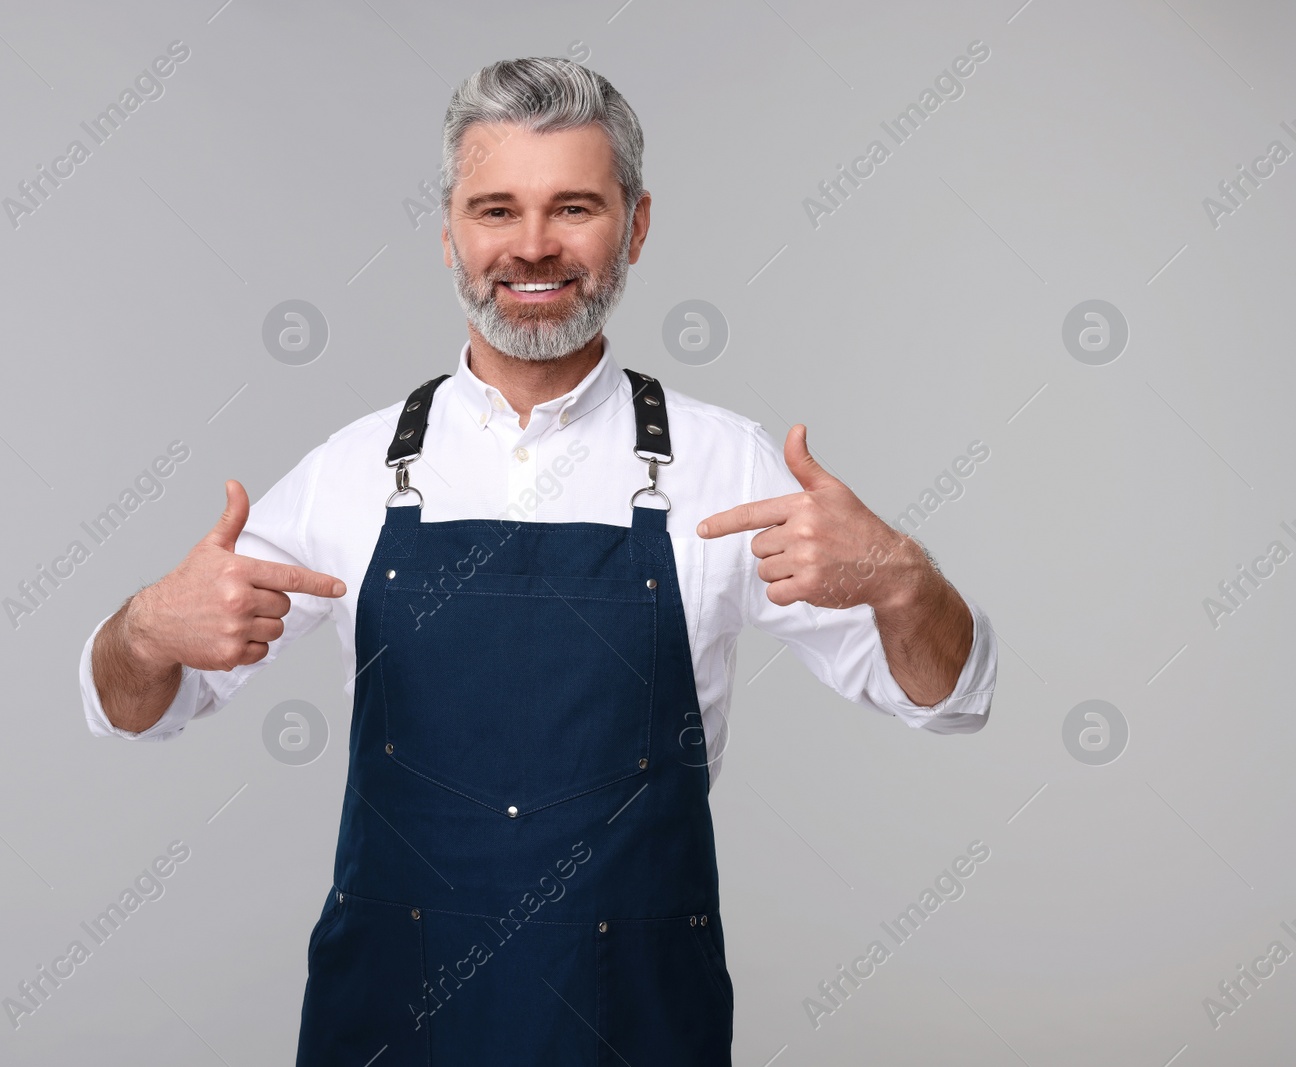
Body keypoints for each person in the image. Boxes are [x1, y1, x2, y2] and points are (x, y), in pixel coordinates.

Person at [78, 56, 997, 1066]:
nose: (530, 247)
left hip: (634, 1016)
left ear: (635, 225)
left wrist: (904, 576)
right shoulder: (348, 474)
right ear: (447, 233)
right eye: (494, 209)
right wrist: (141, 629)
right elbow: (137, 709)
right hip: (392, 1013)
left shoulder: (726, 467)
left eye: (572, 207)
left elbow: (943, 697)